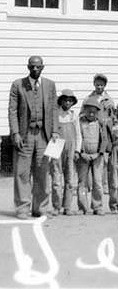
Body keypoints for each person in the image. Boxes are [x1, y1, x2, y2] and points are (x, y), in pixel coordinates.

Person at [9, 56, 59, 219]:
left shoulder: (50, 85)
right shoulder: (18, 85)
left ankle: (41, 207)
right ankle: (23, 207)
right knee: (22, 172)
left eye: (38, 67)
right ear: (28, 67)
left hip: (44, 135)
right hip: (25, 134)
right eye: (32, 67)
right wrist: (15, 133)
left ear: (43, 67)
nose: (35, 69)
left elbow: (53, 110)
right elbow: (13, 111)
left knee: (42, 171)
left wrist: (55, 131)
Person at [81, 73, 114, 194]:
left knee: (103, 160)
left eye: (102, 85)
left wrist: (107, 121)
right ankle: (88, 186)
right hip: (91, 130)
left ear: (105, 86)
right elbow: (82, 113)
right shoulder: (88, 98)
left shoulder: (109, 100)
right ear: (94, 84)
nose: (99, 87)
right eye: (97, 84)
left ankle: (103, 185)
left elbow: (113, 118)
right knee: (88, 159)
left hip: (104, 132)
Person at [51, 89, 81, 216]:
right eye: (65, 100)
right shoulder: (55, 114)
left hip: (70, 146)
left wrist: (77, 150)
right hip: (57, 146)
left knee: (69, 178)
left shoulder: (74, 115)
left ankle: (67, 206)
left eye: (70, 101)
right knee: (57, 178)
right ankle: (56, 206)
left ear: (72, 102)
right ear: (61, 101)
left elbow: (78, 134)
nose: (67, 103)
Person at [78, 98, 108, 215]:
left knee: (97, 182)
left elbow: (104, 139)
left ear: (97, 112)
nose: (91, 114)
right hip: (84, 156)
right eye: (89, 111)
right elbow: (78, 137)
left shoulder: (100, 123)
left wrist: (99, 153)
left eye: (94, 112)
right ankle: (82, 207)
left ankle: (97, 206)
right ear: (84, 111)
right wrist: (82, 152)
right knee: (82, 182)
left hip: (97, 157)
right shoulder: (80, 122)